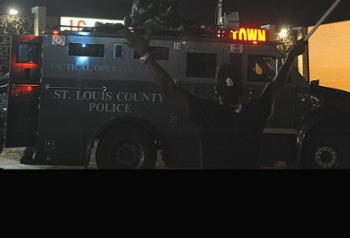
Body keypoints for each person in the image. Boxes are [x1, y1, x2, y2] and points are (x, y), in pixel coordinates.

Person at [124, 30, 307, 169]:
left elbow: (169, 88)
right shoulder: (255, 112)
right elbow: (276, 84)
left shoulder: (208, 112)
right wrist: (291, 55)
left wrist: (146, 55)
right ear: (242, 88)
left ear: (217, 90)